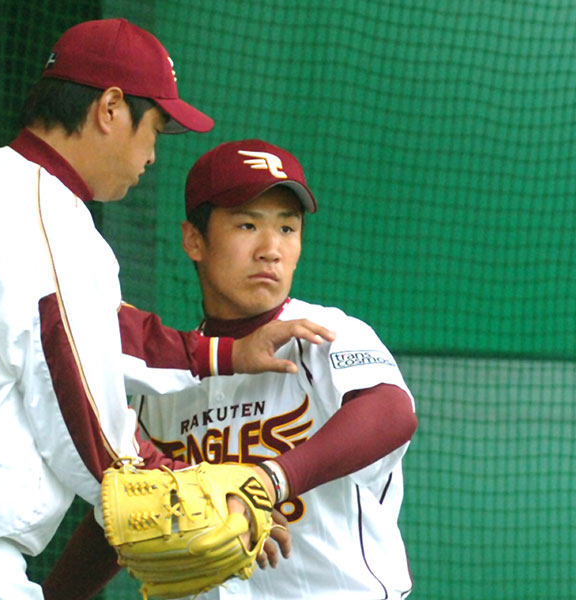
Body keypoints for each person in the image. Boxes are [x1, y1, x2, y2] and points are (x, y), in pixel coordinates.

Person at [0, 20, 333, 600]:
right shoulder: (52, 215)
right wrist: (187, 491)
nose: (153, 154)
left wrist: (222, 353)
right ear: (110, 108)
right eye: (155, 128)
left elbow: (93, 329)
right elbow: (75, 388)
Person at [44, 139, 418, 599]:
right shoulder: (165, 382)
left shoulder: (324, 334)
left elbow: (392, 412)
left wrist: (269, 480)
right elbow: (124, 512)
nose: (271, 249)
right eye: (248, 224)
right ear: (194, 240)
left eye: (287, 228)